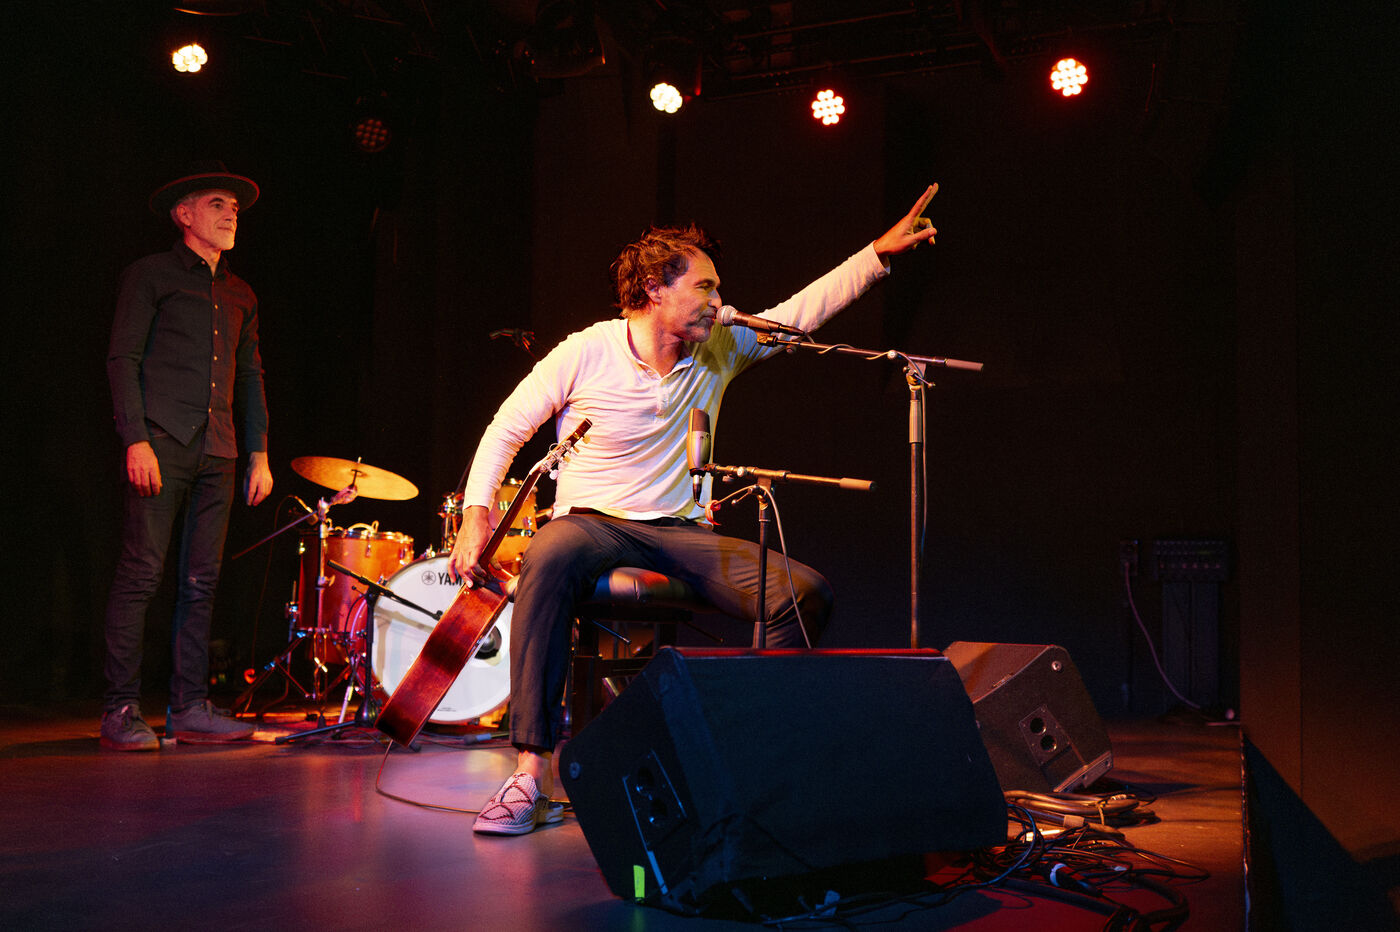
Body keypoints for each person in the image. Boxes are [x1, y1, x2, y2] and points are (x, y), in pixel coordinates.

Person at [450, 184, 939, 833]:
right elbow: (506, 429)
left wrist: (877, 255)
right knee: (550, 552)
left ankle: (744, 759)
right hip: (592, 523)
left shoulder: (721, 347)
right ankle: (529, 774)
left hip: (678, 529)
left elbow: (799, 314)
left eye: (718, 289)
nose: (717, 300)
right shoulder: (587, 350)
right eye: (705, 287)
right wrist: (476, 514)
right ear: (655, 289)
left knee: (802, 594)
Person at [100, 162, 274, 750]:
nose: (231, 215)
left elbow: (249, 376)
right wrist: (136, 438)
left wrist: (258, 453)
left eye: (235, 208)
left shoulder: (241, 292)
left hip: (218, 450)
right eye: (218, 204)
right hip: (162, 442)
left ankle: (190, 707)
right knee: (142, 574)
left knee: (202, 581)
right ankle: (121, 709)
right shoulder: (151, 275)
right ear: (184, 214)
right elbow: (123, 359)